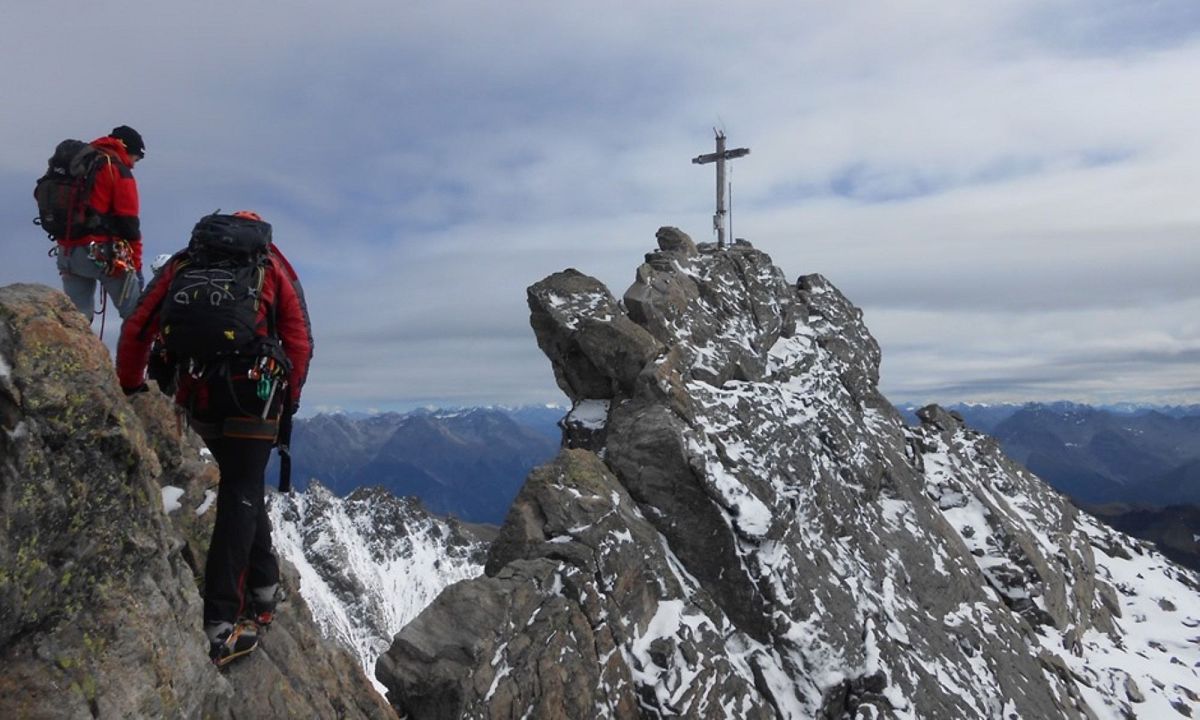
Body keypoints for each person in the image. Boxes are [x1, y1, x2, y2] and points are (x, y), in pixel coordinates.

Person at [116, 211, 313, 666]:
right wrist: (290, 401)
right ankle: (221, 626)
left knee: (242, 489)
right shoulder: (270, 267)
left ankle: (263, 589)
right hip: (254, 398)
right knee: (241, 491)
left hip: (199, 396)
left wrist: (129, 383)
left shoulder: (184, 265)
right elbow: (299, 341)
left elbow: (139, 325)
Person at [56, 125, 146, 320]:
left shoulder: (79, 164)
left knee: (77, 318)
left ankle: (73, 349)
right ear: (126, 149)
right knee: (137, 316)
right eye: (135, 158)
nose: (133, 165)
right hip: (101, 256)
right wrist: (137, 267)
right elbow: (129, 225)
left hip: (67, 251)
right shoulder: (118, 170)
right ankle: (143, 351)